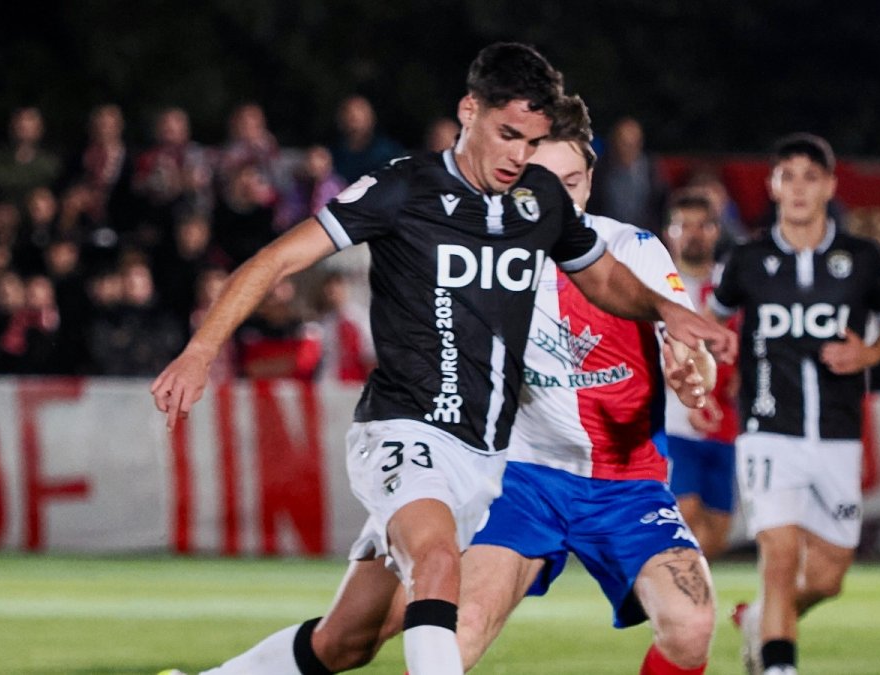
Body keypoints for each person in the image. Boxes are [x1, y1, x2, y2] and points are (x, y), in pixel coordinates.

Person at [152, 42, 734, 675]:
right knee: (438, 576)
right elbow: (280, 259)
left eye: (532, 144)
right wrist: (201, 350)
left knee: (348, 640)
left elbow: (607, 283)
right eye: (510, 137)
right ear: (469, 111)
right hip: (431, 441)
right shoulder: (406, 186)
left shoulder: (546, 207)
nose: (519, 159)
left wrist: (674, 319)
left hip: (498, 465)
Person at [375, 93, 719, 674]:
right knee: (444, 645)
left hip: (626, 485)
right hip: (522, 481)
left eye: (573, 183)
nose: (560, 200)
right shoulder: (485, 262)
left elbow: (686, 339)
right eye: (544, 183)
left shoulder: (632, 249)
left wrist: (694, 371)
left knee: (692, 627)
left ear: (589, 184)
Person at [718, 133, 880, 675]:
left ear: (829, 185)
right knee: (778, 557)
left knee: (828, 577)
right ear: (772, 185)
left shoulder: (863, 258)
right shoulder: (747, 260)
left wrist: (868, 351)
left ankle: (761, 620)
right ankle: (780, 666)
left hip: (837, 433)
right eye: (789, 176)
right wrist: (711, 362)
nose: (799, 188)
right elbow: (707, 321)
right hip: (767, 429)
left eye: (811, 177)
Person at [663, 191, 740, 559]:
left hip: (722, 424)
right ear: (670, 233)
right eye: (684, 226)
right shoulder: (657, 289)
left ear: (716, 232)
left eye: (702, 226)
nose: (693, 234)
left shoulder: (730, 289)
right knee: (686, 514)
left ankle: (685, 595)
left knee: (717, 534)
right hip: (674, 424)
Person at [588, 116, 669, 237]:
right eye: (625, 143)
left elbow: (659, 205)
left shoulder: (651, 169)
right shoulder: (601, 172)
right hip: (609, 238)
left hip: (646, 238)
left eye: (634, 143)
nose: (629, 148)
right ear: (615, 142)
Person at [329, 95, 404, 183]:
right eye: (349, 116)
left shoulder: (390, 152)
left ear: (371, 118)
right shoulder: (331, 156)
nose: (353, 119)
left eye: (358, 117)